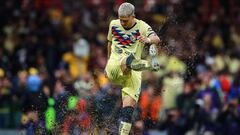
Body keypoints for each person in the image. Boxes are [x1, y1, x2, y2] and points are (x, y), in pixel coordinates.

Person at [104, 2, 161, 135]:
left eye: (125, 20)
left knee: (128, 110)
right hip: (116, 63)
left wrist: (148, 40)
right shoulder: (113, 24)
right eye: (121, 20)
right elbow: (109, 43)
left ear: (133, 16)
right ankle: (150, 65)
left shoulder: (142, 26)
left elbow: (156, 39)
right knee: (126, 60)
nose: (122, 23)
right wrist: (107, 63)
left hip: (135, 71)